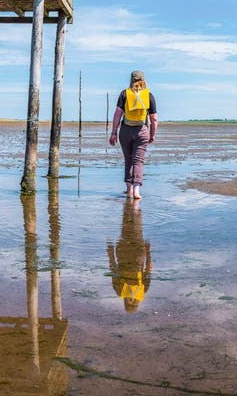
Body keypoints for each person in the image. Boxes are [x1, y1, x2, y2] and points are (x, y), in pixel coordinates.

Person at [108, 70, 157, 199]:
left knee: (128, 160)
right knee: (138, 161)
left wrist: (113, 133)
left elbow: (117, 115)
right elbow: (154, 119)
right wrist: (152, 134)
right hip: (142, 131)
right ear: (143, 80)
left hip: (125, 131)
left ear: (131, 80)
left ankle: (128, 189)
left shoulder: (124, 94)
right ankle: (136, 191)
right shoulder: (149, 95)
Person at [106, 200, 152, 313]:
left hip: (138, 255)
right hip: (123, 254)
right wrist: (110, 253)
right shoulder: (119, 291)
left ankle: (133, 201)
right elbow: (113, 269)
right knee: (125, 228)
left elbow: (149, 269)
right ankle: (129, 202)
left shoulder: (143, 291)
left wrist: (148, 251)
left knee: (137, 227)